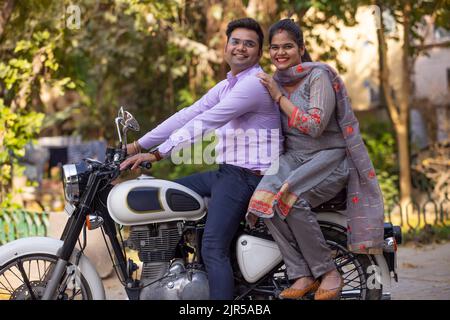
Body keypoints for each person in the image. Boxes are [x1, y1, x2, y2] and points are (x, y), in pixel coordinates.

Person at [120, 18, 282, 300]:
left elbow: (207, 121)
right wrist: (136, 146)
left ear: (258, 53)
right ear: (226, 46)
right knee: (165, 197)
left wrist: (159, 153)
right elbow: (189, 114)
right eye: (236, 41)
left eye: (249, 44)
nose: (241, 48)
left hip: (246, 176)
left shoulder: (253, 85)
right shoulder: (228, 85)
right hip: (227, 173)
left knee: (212, 247)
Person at [246, 19, 384, 300]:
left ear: (301, 48)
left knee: (291, 199)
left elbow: (314, 125)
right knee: (263, 202)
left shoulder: (318, 75)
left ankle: (329, 271)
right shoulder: (277, 79)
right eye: (274, 48)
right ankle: (301, 274)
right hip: (295, 157)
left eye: (288, 47)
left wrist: (278, 96)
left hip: (328, 157)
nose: (280, 53)